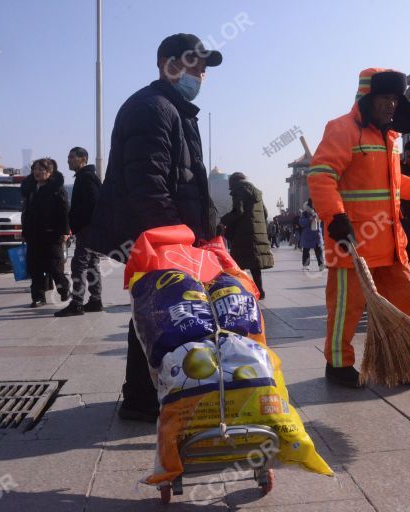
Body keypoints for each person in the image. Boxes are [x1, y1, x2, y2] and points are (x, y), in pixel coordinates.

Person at [86, 33, 222, 422]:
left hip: (164, 233)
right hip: (153, 234)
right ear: (169, 64)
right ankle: (144, 398)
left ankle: (143, 394)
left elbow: (186, 180)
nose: (200, 74)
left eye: (204, 69)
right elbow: (148, 184)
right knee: (159, 308)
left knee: (154, 308)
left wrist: (209, 228)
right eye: (194, 65)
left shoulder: (171, 108)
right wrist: (174, 240)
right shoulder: (152, 108)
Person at [307, 67, 410, 388]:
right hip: (353, 241)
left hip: (390, 243)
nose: (392, 105)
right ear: (369, 97)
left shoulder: (392, 139)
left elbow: (391, 184)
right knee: (347, 306)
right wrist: (335, 216)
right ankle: (338, 364)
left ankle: (400, 358)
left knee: (403, 296)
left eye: (396, 99)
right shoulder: (342, 129)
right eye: (386, 98)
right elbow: (321, 175)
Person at [55, 147, 103, 317]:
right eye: (68, 157)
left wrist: (80, 222)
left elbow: (93, 203)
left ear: (83, 159)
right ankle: (96, 300)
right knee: (91, 264)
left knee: (79, 265)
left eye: (72, 157)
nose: (68, 160)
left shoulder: (87, 178)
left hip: (87, 229)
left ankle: (77, 303)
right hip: (90, 228)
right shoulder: (85, 177)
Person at [21, 158, 70, 308]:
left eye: (41, 169)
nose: (37, 172)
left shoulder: (56, 189)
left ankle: (64, 289)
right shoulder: (30, 189)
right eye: (35, 169)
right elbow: (26, 212)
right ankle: (38, 297)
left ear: (49, 172)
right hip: (33, 234)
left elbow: (64, 211)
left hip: (52, 233)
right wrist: (25, 231)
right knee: (35, 268)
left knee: (55, 266)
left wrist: (65, 231)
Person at [219, 172, 274, 298]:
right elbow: (264, 213)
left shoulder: (239, 190)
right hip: (255, 232)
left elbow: (239, 211)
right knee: (255, 264)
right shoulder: (257, 193)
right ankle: (260, 290)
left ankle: (241, 289)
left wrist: (223, 221)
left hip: (243, 233)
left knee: (238, 262)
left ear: (233, 183)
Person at [299, 198, 324, 271]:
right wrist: (309, 219)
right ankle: (305, 265)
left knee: (319, 251)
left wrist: (318, 217)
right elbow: (301, 223)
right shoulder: (305, 214)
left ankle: (321, 264)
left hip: (317, 236)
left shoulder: (318, 212)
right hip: (308, 235)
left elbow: (321, 220)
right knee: (306, 250)